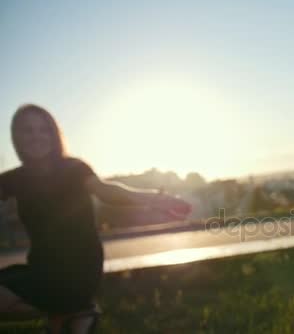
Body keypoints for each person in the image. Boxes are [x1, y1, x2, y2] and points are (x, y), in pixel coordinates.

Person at [0, 104, 191, 333]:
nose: (36, 136)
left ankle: (69, 312)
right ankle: (73, 314)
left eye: (44, 129)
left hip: (79, 266)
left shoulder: (73, 168)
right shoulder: (13, 179)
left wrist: (155, 199)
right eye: (27, 130)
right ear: (15, 137)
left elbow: (107, 191)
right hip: (41, 265)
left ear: (54, 134)